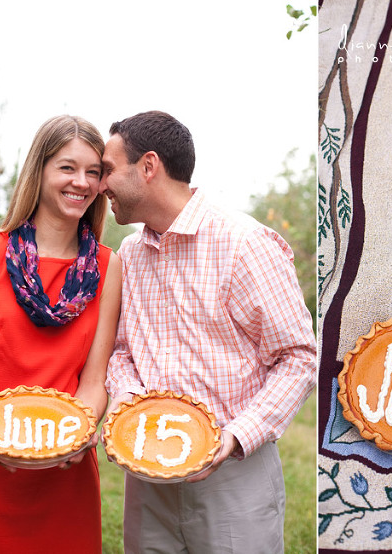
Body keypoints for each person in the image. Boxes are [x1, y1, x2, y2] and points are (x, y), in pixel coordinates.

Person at [101, 110, 317, 553]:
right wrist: (126, 409)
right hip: (148, 477)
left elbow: (299, 358)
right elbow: (122, 351)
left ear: (148, 167)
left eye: (107, 170)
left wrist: (235, 436)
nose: (100, 185)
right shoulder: (129, 254)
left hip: (234, 479)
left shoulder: (245, 244)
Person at [0, 115, 122, 553]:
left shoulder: (109, 269)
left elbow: (95, 381)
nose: (82, 182)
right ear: (38, 170)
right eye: (67, 167)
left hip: (65, 473)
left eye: (94, 172)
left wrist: (79, 432)